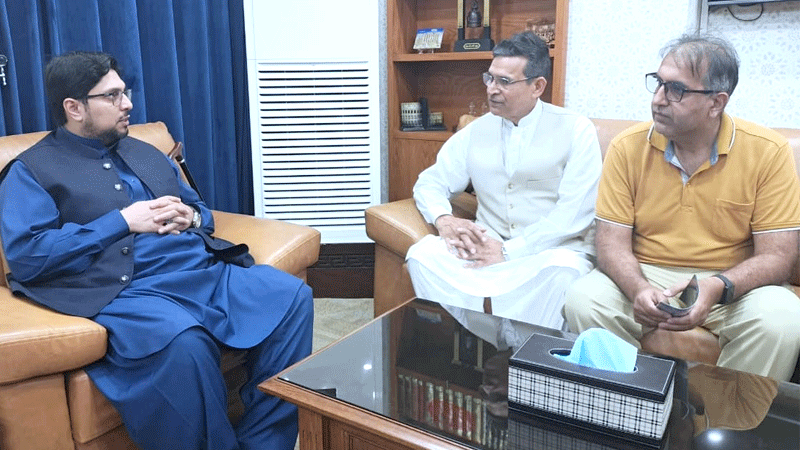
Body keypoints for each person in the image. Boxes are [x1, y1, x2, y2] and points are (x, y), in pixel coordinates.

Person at [0, 51, 312, 449]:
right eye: (112, 96)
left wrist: (191, 217)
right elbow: (28, 254)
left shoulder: (142, 151)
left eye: (125, 92)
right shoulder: (30, 170)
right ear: (74, 108)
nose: (127, 104)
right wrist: (121, 221)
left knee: (292, 297)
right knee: (185, 345)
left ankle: (265, 443)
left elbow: (201, 211)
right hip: (127, 290)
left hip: (200, 271)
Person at [563, 34, 800, 381]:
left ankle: (726, 414)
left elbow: (779, 257)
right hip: (647, 272)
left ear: (716, 103)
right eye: (658, 83)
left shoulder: (768, 151)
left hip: (731, 283)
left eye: (676, 90)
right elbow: (611, 244)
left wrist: (718, 285)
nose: (658, 99)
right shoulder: (627, 147)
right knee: (584, 299)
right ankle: (630, 406)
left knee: (782, 319)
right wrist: (638, 289)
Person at [406, 31, 602, 330]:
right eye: (490, 78)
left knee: (565, 272)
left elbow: (574, 213)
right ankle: (471, 336)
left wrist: (511, 251)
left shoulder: (576, 129)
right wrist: (444, 220)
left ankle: (525, 351)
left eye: (504, 82)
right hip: (486, 246)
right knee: (422, 255)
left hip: (547, 253)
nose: (492, 89)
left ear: (538, 86)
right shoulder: (475, 131)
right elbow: (430, 182)